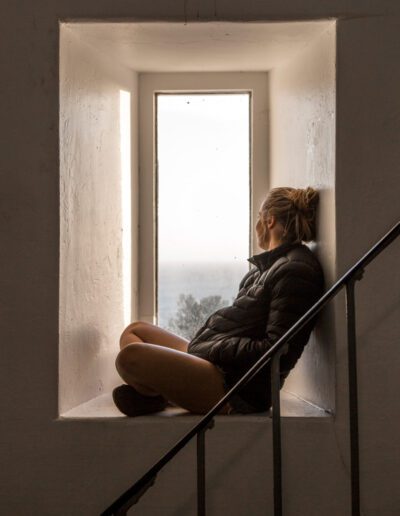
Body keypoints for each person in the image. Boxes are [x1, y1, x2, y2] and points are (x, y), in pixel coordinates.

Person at [112, 186, 324, 416]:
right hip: (217, 362)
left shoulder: (296, 270)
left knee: (129, 358)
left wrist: (211, 349)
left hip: (236, 386)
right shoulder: (265, 268)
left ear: (269, 220)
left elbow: (274, 347)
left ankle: (162, 393)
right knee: (135, 331)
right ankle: (165, 394)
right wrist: (208, 347)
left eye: (258, 218)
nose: (256, 225)